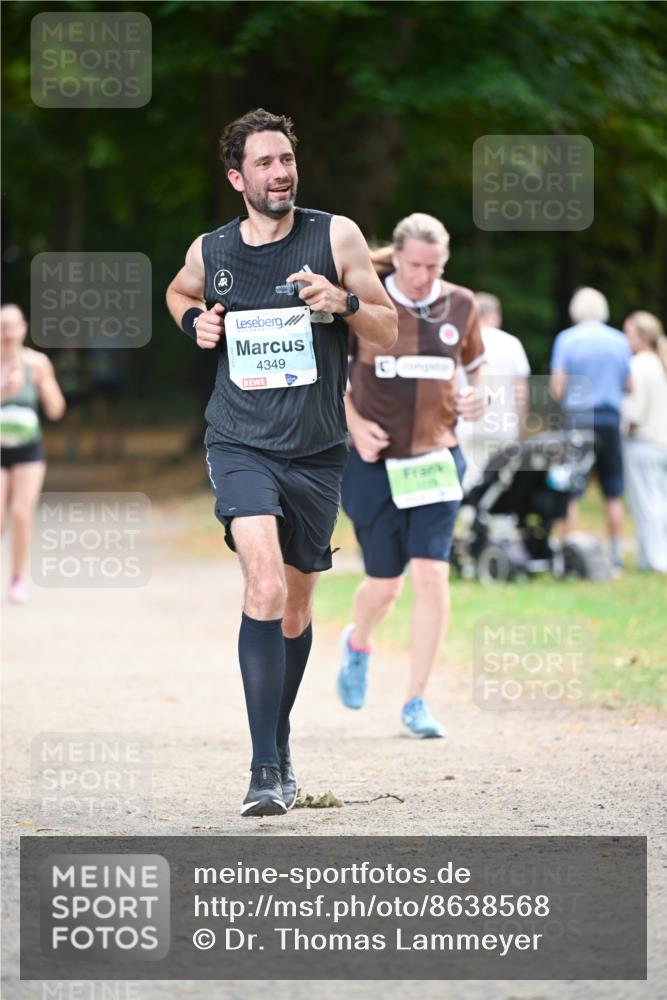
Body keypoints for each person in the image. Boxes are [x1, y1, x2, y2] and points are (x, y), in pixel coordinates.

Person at [165, 109, 397, 816]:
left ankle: (279, 737)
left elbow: (388, 329)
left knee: (295, 604)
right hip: (239, 440)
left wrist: (344, 299)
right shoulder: (214, 251)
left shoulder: (336, 236)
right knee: (262, 585)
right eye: (265, 163)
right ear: (237, 177)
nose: (280, 172)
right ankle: (265, 769)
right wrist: (193, 321)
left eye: (286, 160)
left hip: (316, 449)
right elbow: (179, 291)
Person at [337, 213, 486, 737]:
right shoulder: (368, 302)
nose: (424, 275)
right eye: (415, 264)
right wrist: (354, 424)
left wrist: (477, 396)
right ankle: (358, 642)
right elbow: (333, 376)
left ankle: (415, 702)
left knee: (431, 574)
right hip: (374, 464)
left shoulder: (462, 305)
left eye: (435, 265)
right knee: (384, 584)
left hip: (436, 458)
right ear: (396, 257)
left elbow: (475, 368)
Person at [549, 287, 632, 573]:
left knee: (570, 490)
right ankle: (617, 557)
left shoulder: (567, 340)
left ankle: (568, 553)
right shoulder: (620, 340)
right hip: (610, 419)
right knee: (613, 490)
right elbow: (630, 385)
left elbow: (557, 387)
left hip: (579, 420)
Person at [1, 304, 66, 602]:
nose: (9, 333)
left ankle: (17, 580)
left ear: (24, 328)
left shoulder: (37, 363)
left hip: (29, 450)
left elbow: (56, 410)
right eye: (3, 327)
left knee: (20, 513)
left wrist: (43, 385)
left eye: (13, 326)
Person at [457, 292, 531, 491]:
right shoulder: (512, 343)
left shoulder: (461, 340)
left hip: (467, 423)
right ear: (496, 315)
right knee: (499, 484)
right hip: (503, 424)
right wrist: (521, 426)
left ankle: (469, 516)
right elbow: (520, 391)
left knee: (468, 479)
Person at [621, 311, 667, 573]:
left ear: (641, 336)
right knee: (661, 502)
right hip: (663, 442)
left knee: (646, 505)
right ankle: (649, 557)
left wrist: (627, 429)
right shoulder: (662, 362)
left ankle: (656, 561)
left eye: (628, 334)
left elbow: (633, 411)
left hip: (644, 443)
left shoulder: (639, 365)